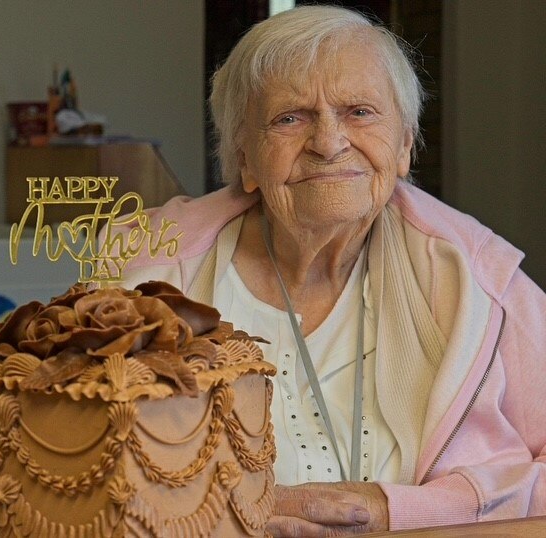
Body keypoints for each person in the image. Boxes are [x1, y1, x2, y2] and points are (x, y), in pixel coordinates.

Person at [101, 5, 546, 535]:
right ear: (244, 157)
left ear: (404, 145)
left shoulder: (479, 280)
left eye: (359, 111)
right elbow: (74, 467)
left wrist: (392, 512)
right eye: (291, 118)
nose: (329, 142)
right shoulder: (147, 269)